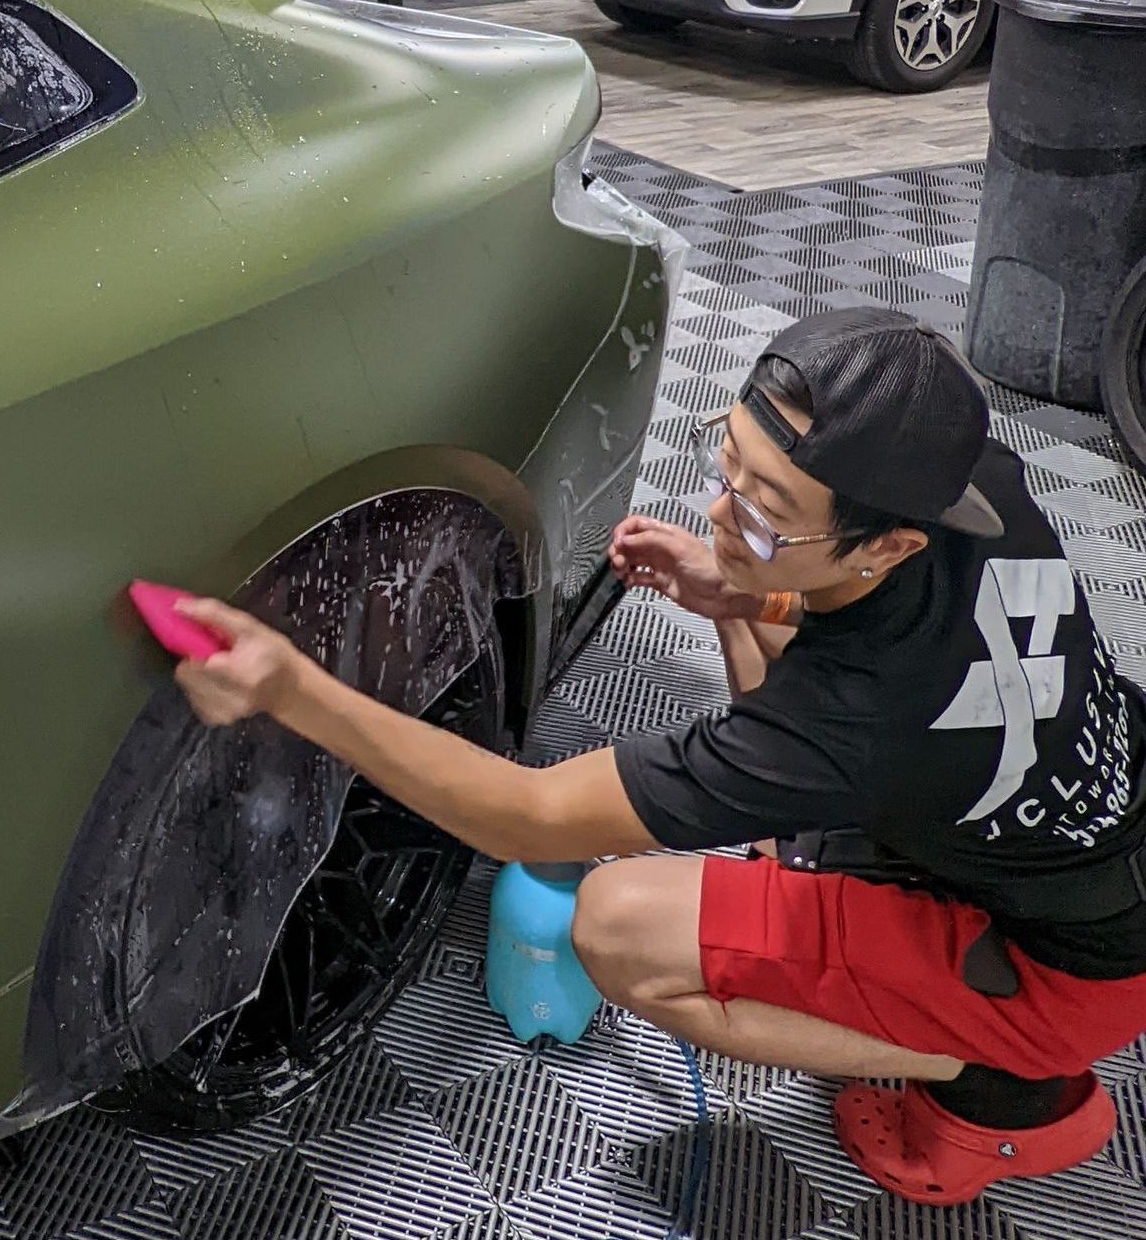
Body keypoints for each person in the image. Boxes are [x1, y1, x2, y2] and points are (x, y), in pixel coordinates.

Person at [169, 308, 1146, 1205]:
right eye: (729, 468)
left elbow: (527, 815)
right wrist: (743, 589)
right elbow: (875, 650)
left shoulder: (851, 722)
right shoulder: (982, 482)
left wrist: (291, 690)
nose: (722, 515)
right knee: (768, 671)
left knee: (619, 926)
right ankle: (930, 967)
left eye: (765, 509)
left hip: (1067, 975)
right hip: (1065, 826)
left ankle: (998, 1075)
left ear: (883, 545)